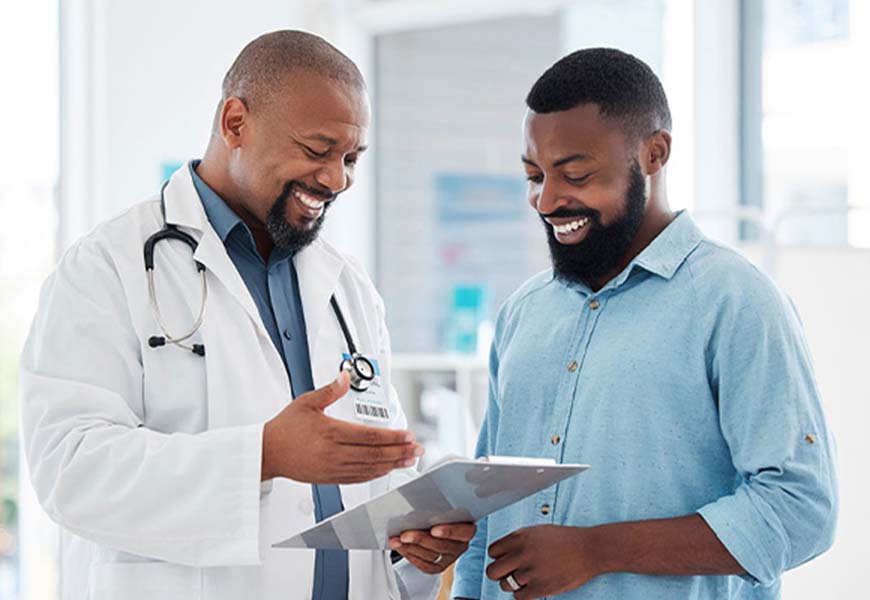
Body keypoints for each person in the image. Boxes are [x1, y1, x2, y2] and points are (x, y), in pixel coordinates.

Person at [20, 30, 473, 600]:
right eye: (317, 150)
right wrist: (264, 455)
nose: (337, 179)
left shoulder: (348, 287)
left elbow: (368, 472)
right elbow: (69, 468)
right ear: (235, 123)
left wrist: (415, 530)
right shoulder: (107, 267)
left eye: (350, 158)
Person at [452, 48, 837, 600]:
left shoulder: (736, 301)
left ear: (654, 153)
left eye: (576, 173)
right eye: (533, 175)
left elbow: (801, 508)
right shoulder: (522, 312)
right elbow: (486, 508)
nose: (548, 200)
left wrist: (596, 549)